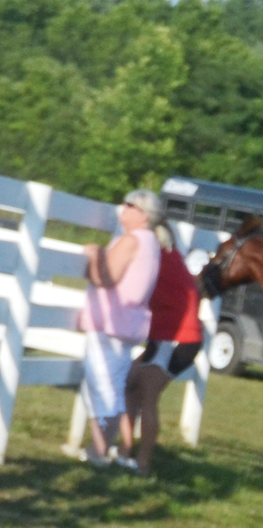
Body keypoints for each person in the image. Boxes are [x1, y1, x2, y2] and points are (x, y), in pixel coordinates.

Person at [73, 189, 164, 469]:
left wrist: (93, 255)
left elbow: (106, 277)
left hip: (111, 323)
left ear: (144, 215)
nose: (122, 208)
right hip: (128, 325)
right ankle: (101, 448)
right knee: (109, 386)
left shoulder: (133, 240)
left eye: (130, 205)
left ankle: (99, 452)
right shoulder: (151, 243)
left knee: (102, 387)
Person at [126, 214, 204, 475]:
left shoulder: (157, 259)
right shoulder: (172, 256)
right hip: (172, 337)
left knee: (146, 395)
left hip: (175, 338)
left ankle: (143, 462)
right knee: (129, 384)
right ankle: (126, 451)